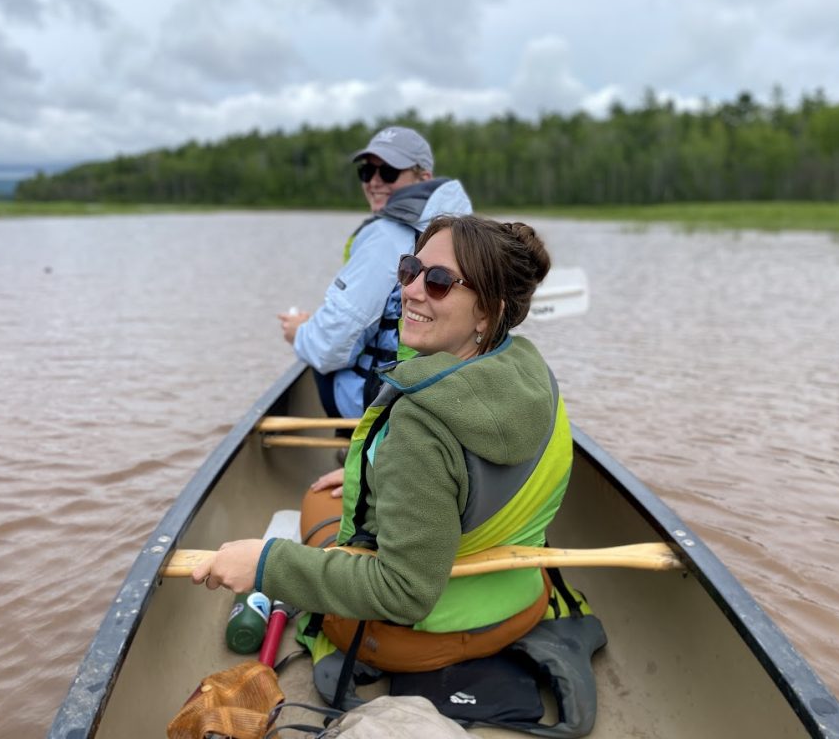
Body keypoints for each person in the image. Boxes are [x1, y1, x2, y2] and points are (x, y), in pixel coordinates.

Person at [193, 214, 580, 677]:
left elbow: (404, 593)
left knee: (316, 502)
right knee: (341, 490)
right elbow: (463, 484)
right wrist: (380, 474)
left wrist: (265, 566)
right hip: (527, 599)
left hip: (425, 633)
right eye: (409, 269)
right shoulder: (533, 374)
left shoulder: (422, 427)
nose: (411, 290)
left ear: (487, 311)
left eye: (438, 282)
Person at [277, 126, 472, 422]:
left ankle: (352, 447)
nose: (375, 182)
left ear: (423, 178)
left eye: (389, 171)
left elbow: (331, 347)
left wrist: (300, 333)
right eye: (367, 172)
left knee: (318, 359)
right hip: (448, 389)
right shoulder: (465, 231)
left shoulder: (387, 236)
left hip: (390, 400)